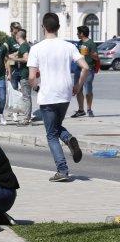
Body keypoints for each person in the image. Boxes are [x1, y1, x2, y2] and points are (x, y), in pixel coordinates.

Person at [28, 12, 87, 182]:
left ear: (43, 27)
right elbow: (85, 67)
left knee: (51, 134)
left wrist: (35, 87)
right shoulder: (68, 46)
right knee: (56, 126)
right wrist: (78, 86)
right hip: (65, 93)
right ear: (58, 27)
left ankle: (62, 170)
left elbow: (32, 76)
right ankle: (69, 139)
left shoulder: (36, 48)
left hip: (48, 94)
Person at [71, 25, 98, 118]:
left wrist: (89, 52)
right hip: (78, 69)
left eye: (78, 32)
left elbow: (96, 57)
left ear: (82, 33)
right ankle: (81, 110)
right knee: (78, 89)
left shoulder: (91, 43)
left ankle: (89, 109)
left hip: (89, 69)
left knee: (88, 90)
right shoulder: (79, 43)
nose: (77, 34)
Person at [8, 29, 32, 126]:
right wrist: (12, 55)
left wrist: (15, 59)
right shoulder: (25, 45)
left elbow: (26, 59)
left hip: (25, 75)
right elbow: (17, 53)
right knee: (27, 96)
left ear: (17, 37)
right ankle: (27, 116)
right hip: (26, 74)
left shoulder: (23, 46)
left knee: (26, 97)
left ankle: (26, 118)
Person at [5, 22, 22, 91]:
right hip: (13, 69)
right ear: (11, 31)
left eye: (18, 31)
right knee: (14, 90)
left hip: (22, 68)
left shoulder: (22, 39)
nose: (16, 34)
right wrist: (9, 72)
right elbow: (6, 57)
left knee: (24, 91)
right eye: (15, 32)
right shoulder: (9, 40)